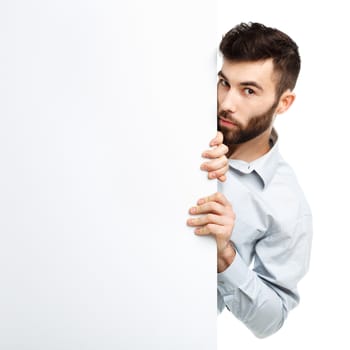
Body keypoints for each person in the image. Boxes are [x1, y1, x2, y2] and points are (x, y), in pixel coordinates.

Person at [188, 22, 312, 338]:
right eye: (223, 83)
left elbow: (270, 320)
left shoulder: (286, 204)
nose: (227, 103)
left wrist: (223, 253)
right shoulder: (182, 122)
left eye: (248, 90)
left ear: (284, 103)